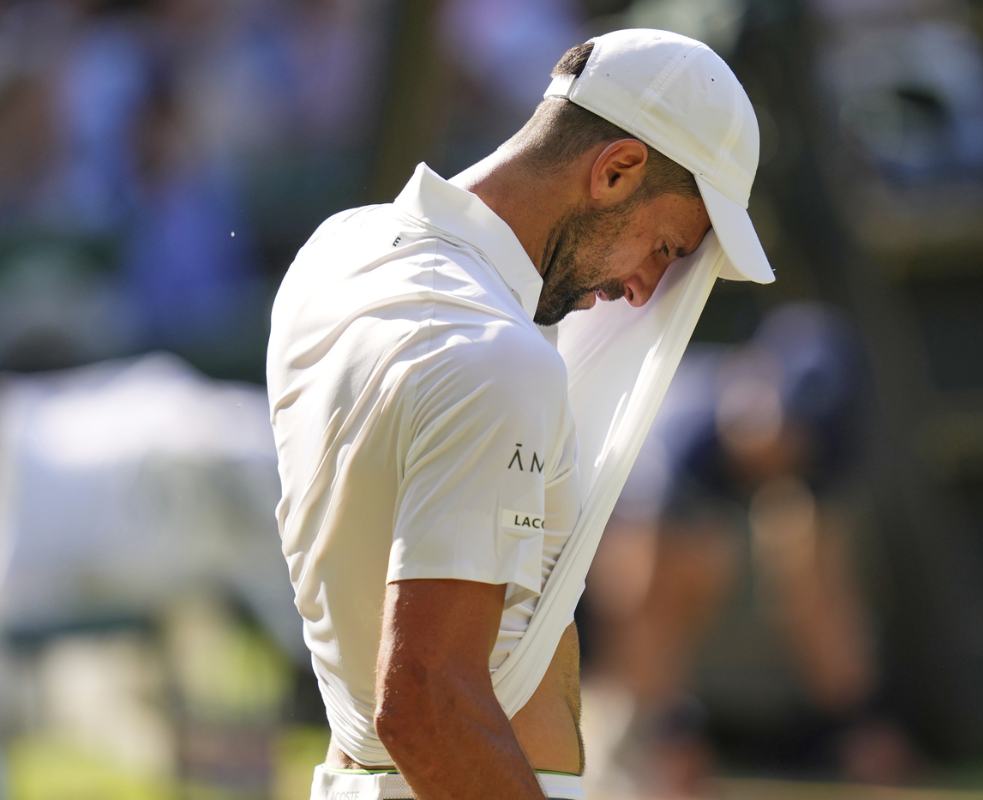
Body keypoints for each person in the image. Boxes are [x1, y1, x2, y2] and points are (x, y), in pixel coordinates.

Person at [266, 29, 773, 800]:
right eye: (665, 247)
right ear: (617, 170)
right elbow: (429, 705)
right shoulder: (496, 359)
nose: (643, 289)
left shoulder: (338, 250)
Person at [584, 306, 918, 797]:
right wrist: (670, 730)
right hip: (573, 601)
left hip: (657, 561)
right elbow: (636, 609)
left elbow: (818, 596)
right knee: (693, 571)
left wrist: (861, 726)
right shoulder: (676, 431)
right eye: (791, 438)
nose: (794, 458)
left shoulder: (811, 445)